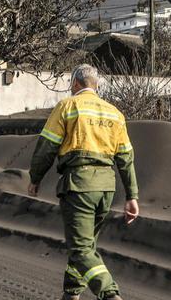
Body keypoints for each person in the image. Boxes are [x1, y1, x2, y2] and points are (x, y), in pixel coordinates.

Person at [28, 64, 139, 300]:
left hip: (79, 185)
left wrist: (35, 178)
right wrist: (132, 196)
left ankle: (110, 294)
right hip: (107, 188)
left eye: (71, 84)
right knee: (86, 247)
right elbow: (126, 158)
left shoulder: (68, 106)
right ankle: (71, 294)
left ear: (76, 84)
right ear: (96, 85)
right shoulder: (114, 113)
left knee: (80, 250)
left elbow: (47, 146)